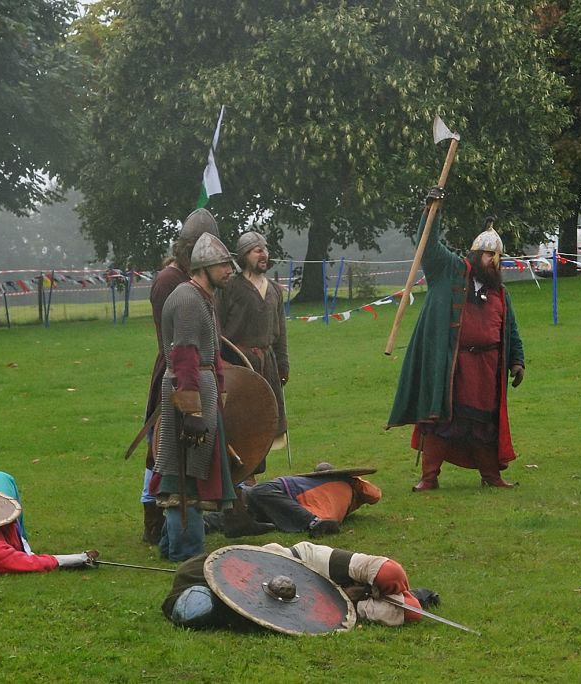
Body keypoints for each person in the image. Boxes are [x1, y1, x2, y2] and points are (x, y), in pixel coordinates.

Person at [388, 188, 525, 491]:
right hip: (452, 364)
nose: (494, 261)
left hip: (487, 368)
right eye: (489, 254)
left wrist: (517, 360)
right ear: (476, 255)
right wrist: (431, 210)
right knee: (441, 420)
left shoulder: (500, 292)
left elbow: (510, 329)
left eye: (498, 257)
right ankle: (429, 477)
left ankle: (491, 475)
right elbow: (429, 245)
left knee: (484, 424)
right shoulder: (448, 270)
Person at [150, 232, 240, 562]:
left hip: (201, 389)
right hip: (188, 392)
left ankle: (171, 548)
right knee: (183, 479)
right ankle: (187, 555)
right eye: (223, 265)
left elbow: (208, 353)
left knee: (191, 473)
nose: (229, 270)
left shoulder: (204, 298)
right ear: (203, 266)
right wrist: (192, 410)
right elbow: (185, 355)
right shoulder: (188, 300)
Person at [138, 209, 221, 545]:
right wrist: (190, 401)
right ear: (188, 248)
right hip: (178, 373)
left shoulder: (197, 284)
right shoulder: (173, 284)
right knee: (164, 453)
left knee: (186, 456)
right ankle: (155, 523)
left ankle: (171, 533)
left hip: (195, 372)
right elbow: (179, 344)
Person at [162, 541, 436, 630]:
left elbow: (304, 556)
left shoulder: (301, 557)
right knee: (408, 609)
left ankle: (400, 593)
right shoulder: (207, 597)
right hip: (214, 582)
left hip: (290, 561)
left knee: (388, 574)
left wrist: (372, 570)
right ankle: (407, 599)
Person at [217, 230, 290, 479]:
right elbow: (218, 328)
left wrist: (283, 363)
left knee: (264, 418)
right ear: (244, 255)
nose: (264, 254)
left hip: (267, 363)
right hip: (239, 363)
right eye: (257, 250)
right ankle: (242, 476)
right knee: (240, 420)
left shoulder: (274, 290)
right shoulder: (230, 288)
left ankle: (255, 475)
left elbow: (280, 333)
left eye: (265, 249)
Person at [241, 463, 382, 537]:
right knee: (239, 510)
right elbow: (375, 495)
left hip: (284, 492)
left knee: (256, 492)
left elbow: (375, 494)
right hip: (287, 500)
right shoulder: (352, 486)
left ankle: (312, 522)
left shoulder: (348, 483)